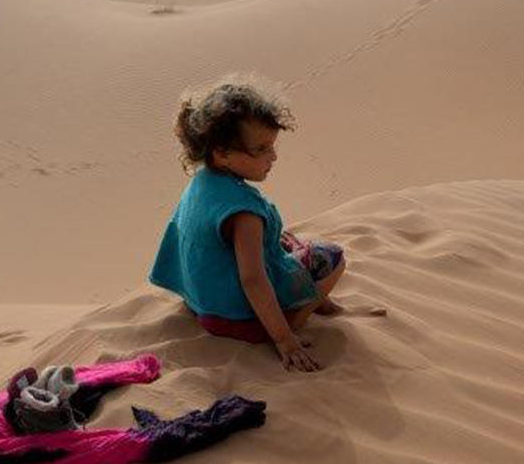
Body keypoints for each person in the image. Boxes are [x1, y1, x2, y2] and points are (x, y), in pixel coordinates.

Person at [150, 77, 376, 372]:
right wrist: (285, 340)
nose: (273, 156)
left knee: (287, 240)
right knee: (331, 256)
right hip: (240, 322)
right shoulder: (244, 213)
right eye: (262, 149)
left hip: (201, 303)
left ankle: (312, 301)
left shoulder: (200, 183)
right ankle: (303, 312)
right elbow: (253, 280)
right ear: (222, 153)